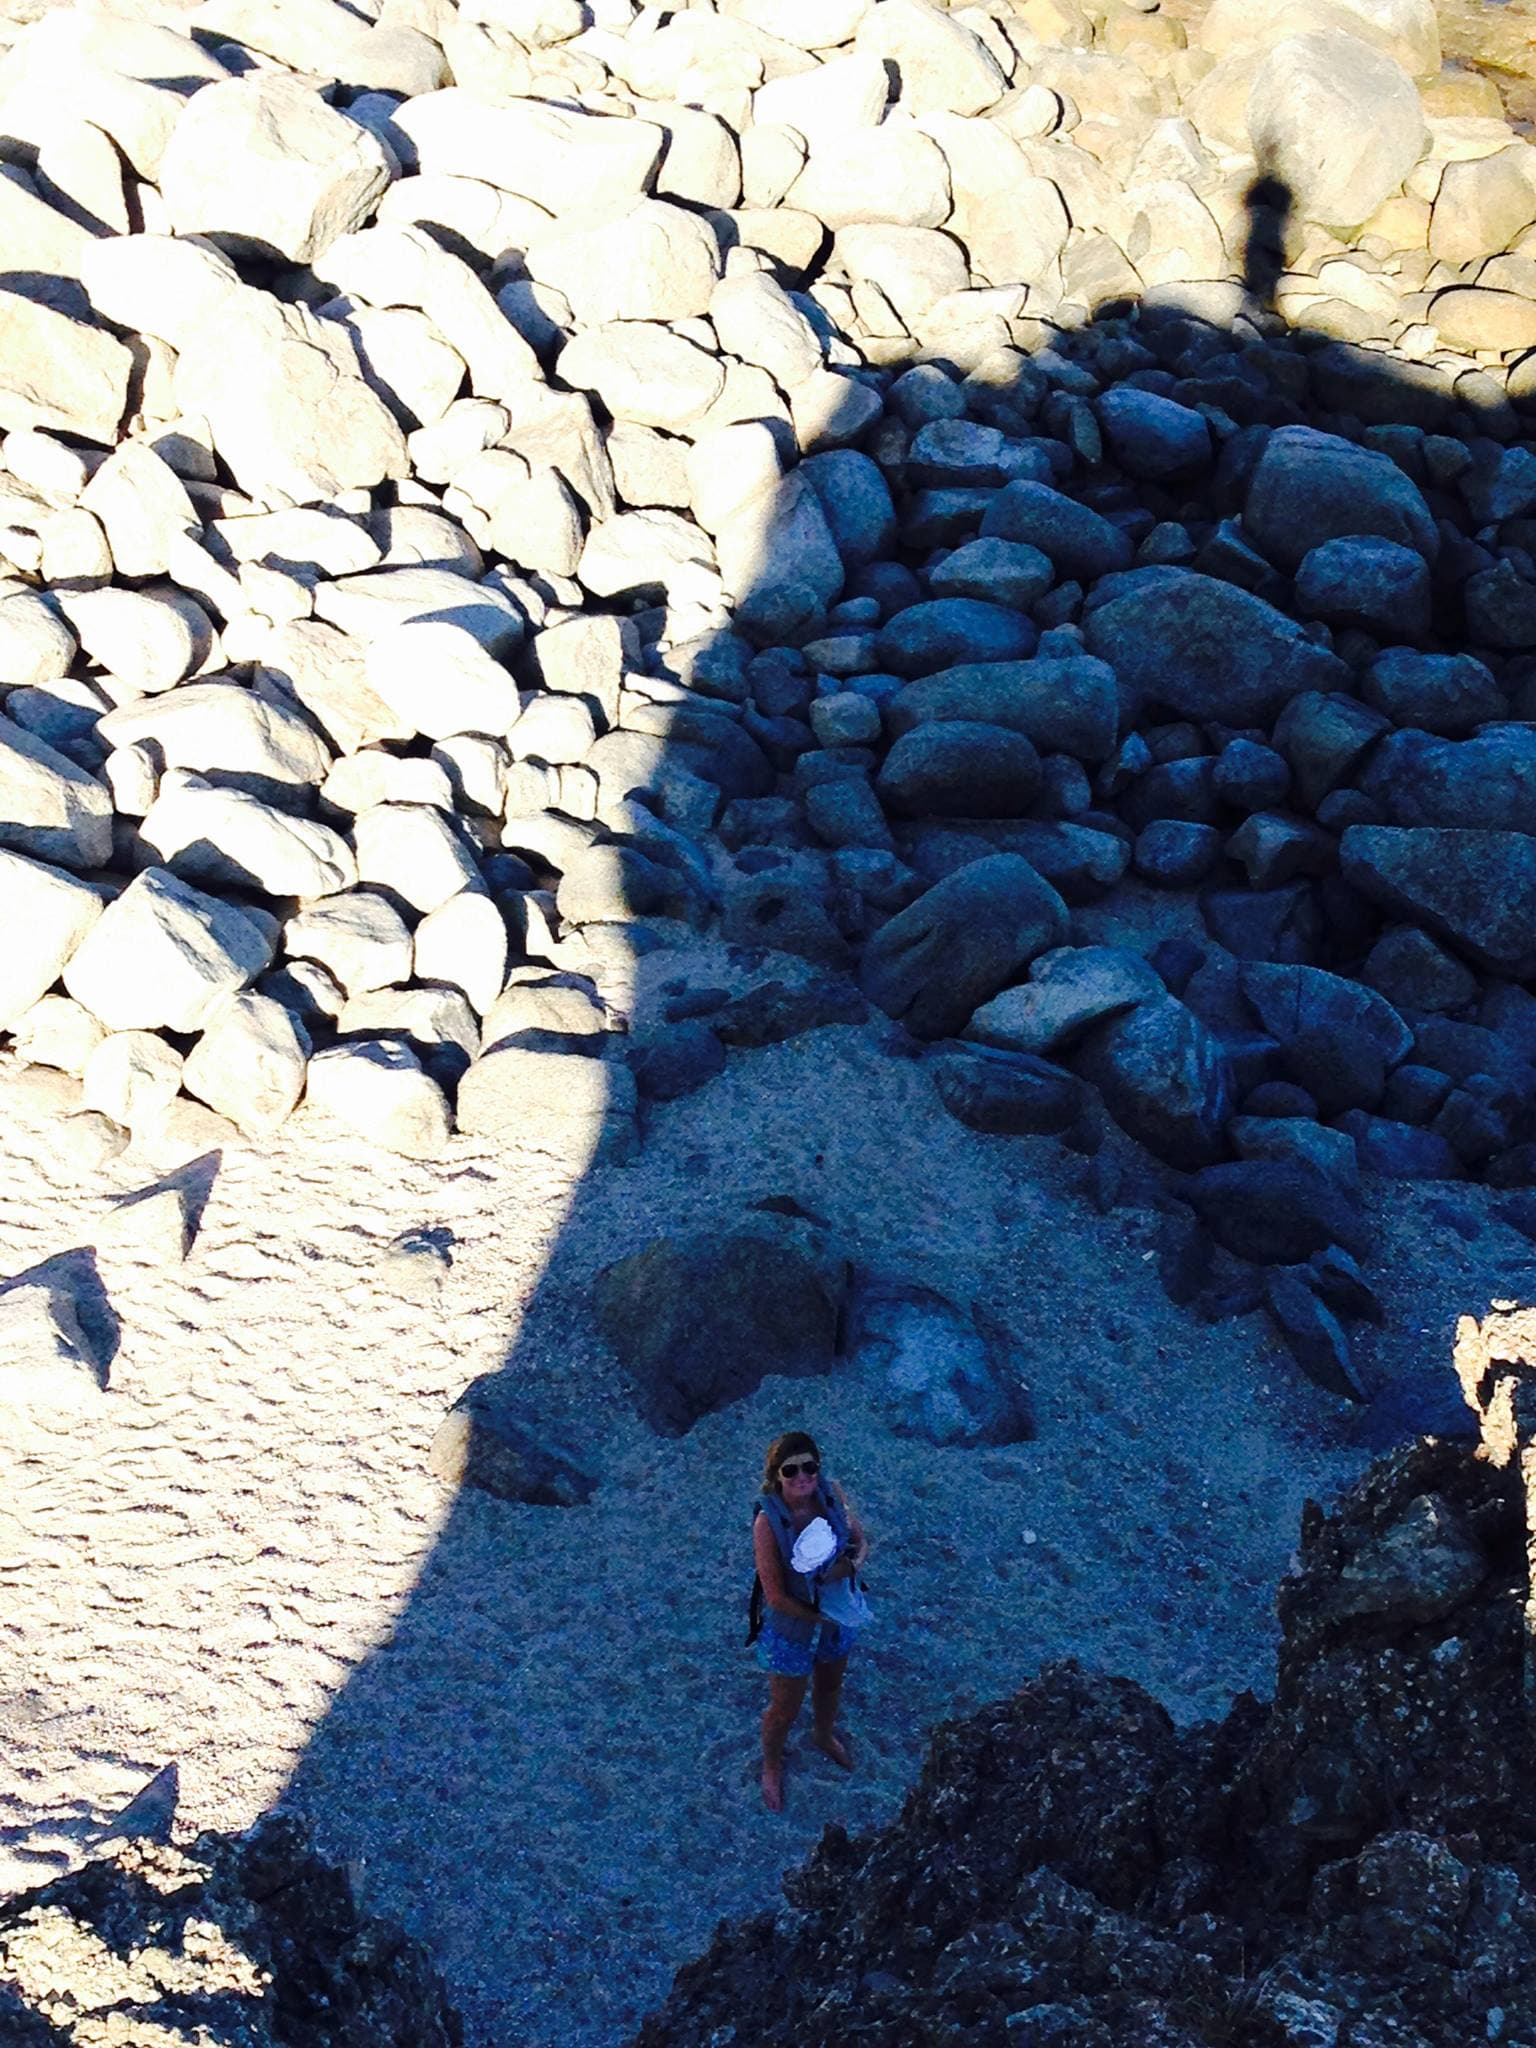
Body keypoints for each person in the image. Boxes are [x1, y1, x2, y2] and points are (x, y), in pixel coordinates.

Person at [751, 1431, 869, 1813]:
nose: (802, 1476)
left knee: (830, 1684)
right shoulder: (768, 1524)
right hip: (794, 1626)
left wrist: (850, 1566)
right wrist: (818, 1617)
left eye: (809, 1466)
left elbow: (860, 1540)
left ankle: (822, 1734)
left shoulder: (831, 1493)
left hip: (837, 1615)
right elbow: (774, 1596)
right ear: (777, 1475)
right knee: (784, 1706)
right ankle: (771, 1764)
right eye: (791, 1470)